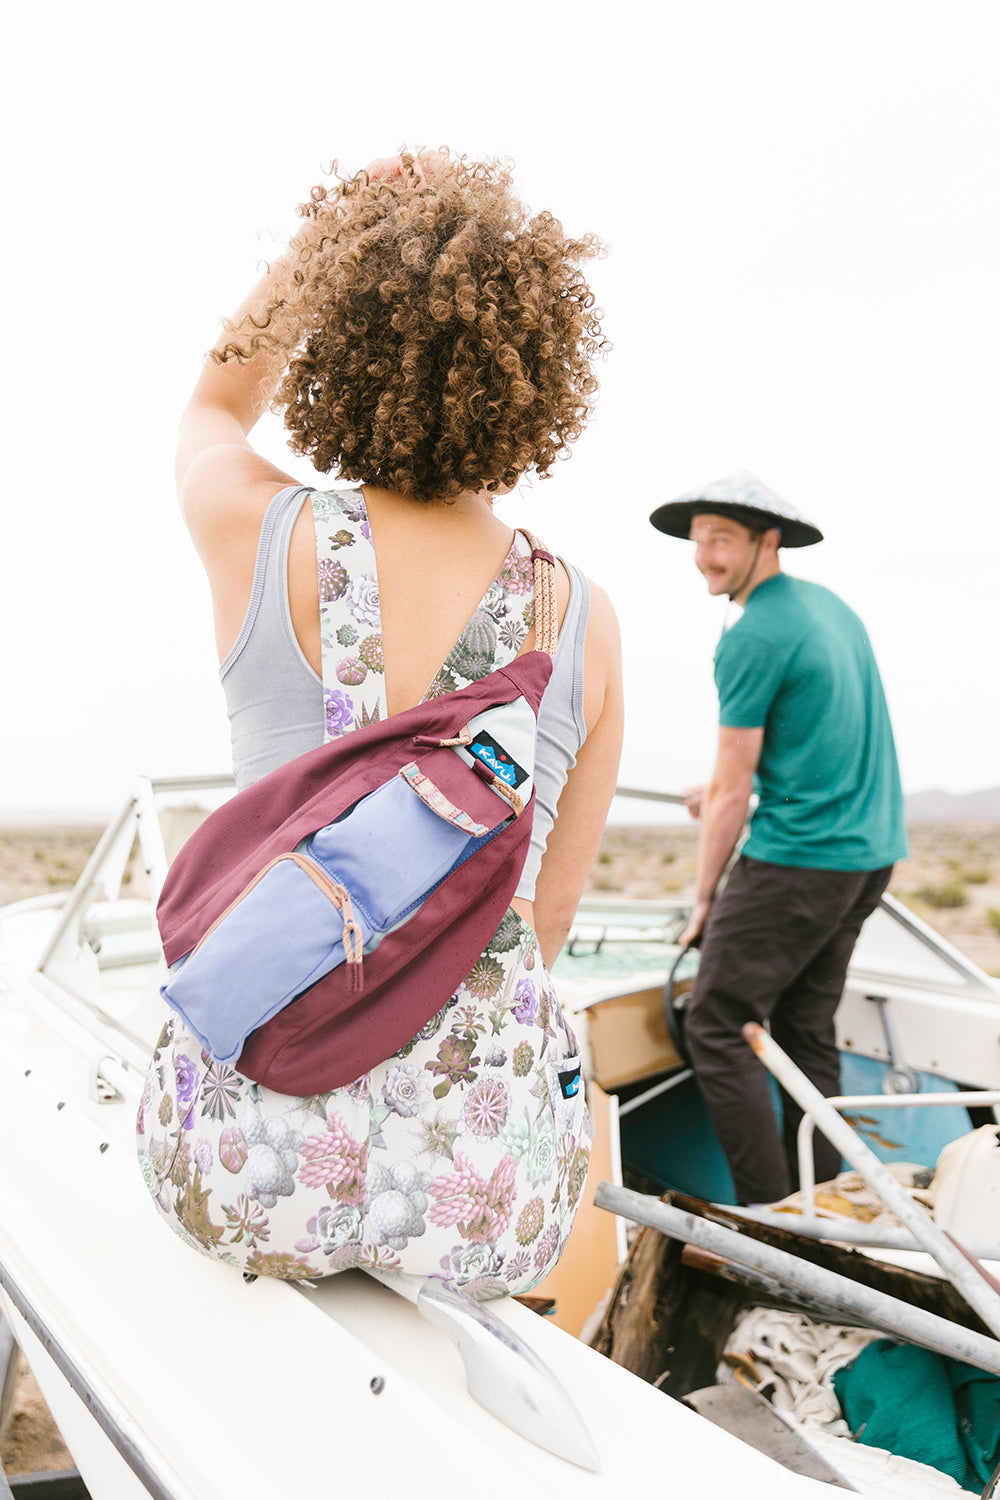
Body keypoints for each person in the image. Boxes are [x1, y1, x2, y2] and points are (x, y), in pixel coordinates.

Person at [136, 151, 624, 1299]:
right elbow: (543, 927)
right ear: (540, 377)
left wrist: (323, 242)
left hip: (250, 1168)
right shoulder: (586, 620)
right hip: (485, 1190)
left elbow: (212, 401)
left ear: (337, 353)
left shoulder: (265, 536)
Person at [649, 472, 907, 1206]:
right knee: (804, 1027)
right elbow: (820, 743)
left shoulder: (754, 634)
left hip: (800, 861)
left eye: (722, 539)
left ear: (769, 541)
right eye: (699, 539)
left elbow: (730, 788)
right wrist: (745, 791)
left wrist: (704, 899)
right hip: (868, 856)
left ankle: (767, 1216)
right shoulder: (829, 611)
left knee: (716, 1023)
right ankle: (829, 1203)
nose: (705, 556)